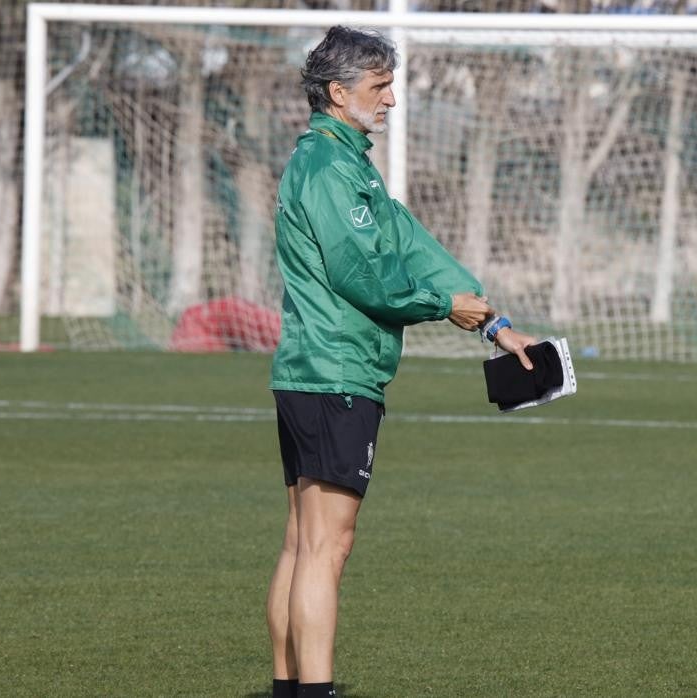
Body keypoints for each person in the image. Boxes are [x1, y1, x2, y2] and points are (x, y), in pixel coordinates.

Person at [264, 26, 536, 698]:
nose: (390, 99)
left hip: (314, 373)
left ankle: (291, 688)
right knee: (327, 548)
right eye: (378, 86)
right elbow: (368, 277)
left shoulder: (346, 164)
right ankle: (312, 692)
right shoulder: (329, 169)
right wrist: (445, 307)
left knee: (304, 545)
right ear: (337, 93)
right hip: (336, 375)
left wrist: (492, 321)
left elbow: (409, 243)